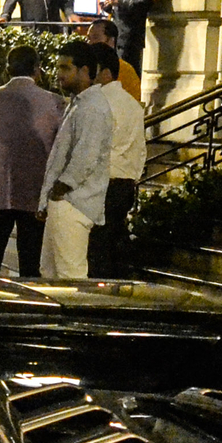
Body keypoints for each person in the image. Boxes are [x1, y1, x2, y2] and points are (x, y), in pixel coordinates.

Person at [0, 45, 64, 277]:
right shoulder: (56, 103)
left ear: (7, 69)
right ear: (37, 70)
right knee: (32, 263)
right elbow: (60, 150)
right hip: (37, 192)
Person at [39, 42, 119, 281]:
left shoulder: (93, 107)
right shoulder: (80, 103)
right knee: (51, 274)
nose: (59, 74)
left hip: (74, 203)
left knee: (69, 277)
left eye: (65, 67)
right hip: (66, 201)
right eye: (57, 67)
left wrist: (60, 189)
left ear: (85, 71)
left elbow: (86, 156)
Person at [94, 44, 147, 278]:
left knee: (97, 249)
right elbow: (140, 149)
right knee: (113, 241)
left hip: (102, 182)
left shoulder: (96, 103)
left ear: (104, 72)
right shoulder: (132, 104)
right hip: (124, 182)